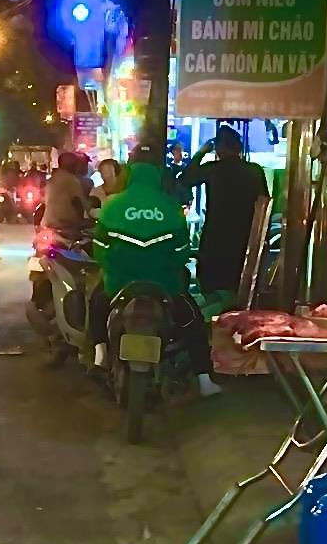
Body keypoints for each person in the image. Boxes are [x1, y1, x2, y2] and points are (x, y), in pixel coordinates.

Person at [91, 141, 221, 397]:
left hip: (120, 284)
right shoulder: (171, 208)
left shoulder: (112, 206)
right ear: (159, 173)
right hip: (164, 285)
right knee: (192, 320)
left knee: (96, 303)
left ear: (129, 171)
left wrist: (113, 266)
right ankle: (204, 379)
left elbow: (99, 247)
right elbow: (182, 250)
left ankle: (99, 355)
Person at [177, 124, 270, 299]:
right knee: (238, 291)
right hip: (244, 239)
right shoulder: (254, 171)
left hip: (215, 238)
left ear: (218, 149)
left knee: (212, 291)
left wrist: (200, 153)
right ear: (239, 148)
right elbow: (264, 204)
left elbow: (184, 180)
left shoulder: (213, 169)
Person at [42, 151, 88, 235]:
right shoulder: (71, 180)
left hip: (47, 222)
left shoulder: (52, 179)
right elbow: (80, 203)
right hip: (65, 224)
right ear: (73, 165)